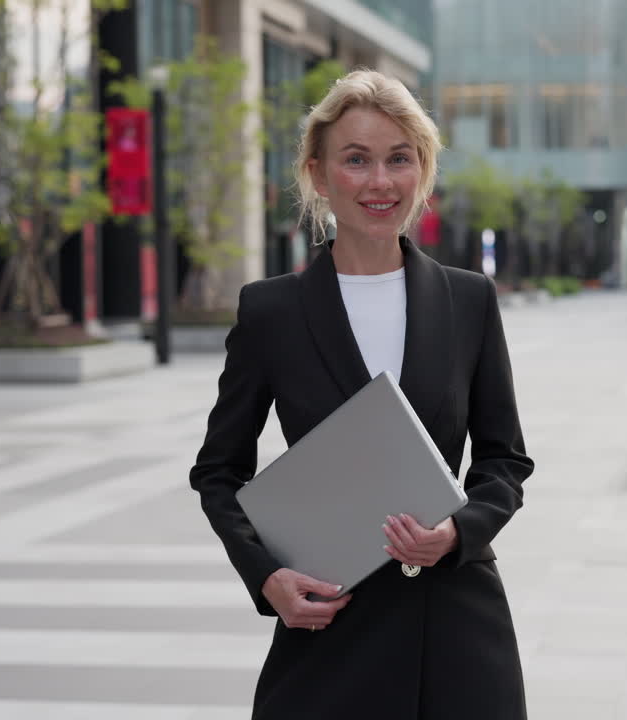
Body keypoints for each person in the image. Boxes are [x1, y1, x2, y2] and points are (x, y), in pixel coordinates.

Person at [190, 70, 534, 719]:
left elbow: (504, 462)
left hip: (456, 632)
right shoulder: (273, 312)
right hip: (330, 628)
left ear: (422, 170)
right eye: (357, 160)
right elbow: (218, 470)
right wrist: (267, 576)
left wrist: (458, 531)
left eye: (399, 159)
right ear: (319, 175)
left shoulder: (469, 301)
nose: (381, 182)